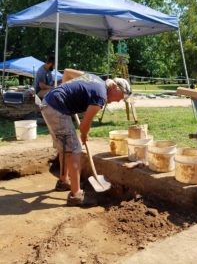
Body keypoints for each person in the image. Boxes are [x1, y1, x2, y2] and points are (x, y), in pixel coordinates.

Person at [40, 68, 132, 206]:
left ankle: (64, 181)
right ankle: (76, 195)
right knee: (75, 150)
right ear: (114, 86)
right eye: (121, 96)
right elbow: (84, 125)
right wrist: (84, 134)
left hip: (50, 103)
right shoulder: (100, 96)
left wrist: (64, 90)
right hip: (57, 108)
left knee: (66, 147)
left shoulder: (94, 78)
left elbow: (67, 72)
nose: (119, 101)